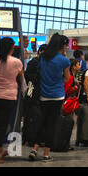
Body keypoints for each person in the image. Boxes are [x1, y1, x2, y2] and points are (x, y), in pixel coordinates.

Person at [29, 33, 70, 162]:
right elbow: (67, 78)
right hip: (57, 95)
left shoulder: (43, 57)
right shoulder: (64, 60)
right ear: (62, 46)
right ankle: (46, 154)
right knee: (52, 124)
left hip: (44, 95)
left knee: (42, 122)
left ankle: (34, 149)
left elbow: (40, 73)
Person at [0, 37, 25, 164]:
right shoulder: (16, 62)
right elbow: (21, 80)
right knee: (2, 127)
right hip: (8, 97)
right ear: (11, 48)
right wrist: (24, 92)